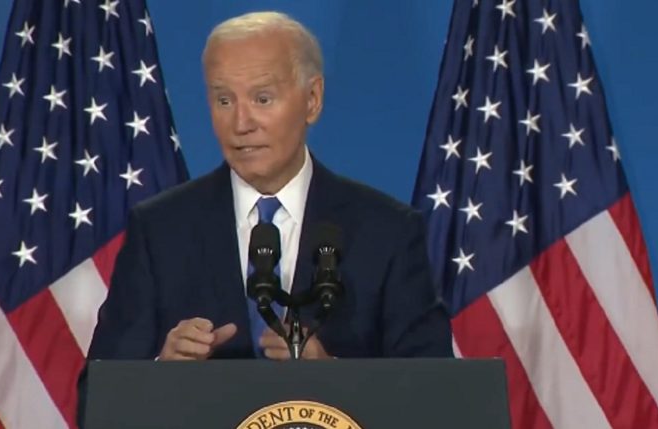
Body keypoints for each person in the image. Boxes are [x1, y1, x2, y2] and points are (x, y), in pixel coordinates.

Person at [83, 9, 451, 368]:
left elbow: (435, 396)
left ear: (312, 100)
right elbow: (96, 400)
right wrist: (161, 370)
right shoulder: (161, 230)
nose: (241, 123)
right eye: (224, 101)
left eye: (262, 99)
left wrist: (336, 376)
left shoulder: (387, 231)